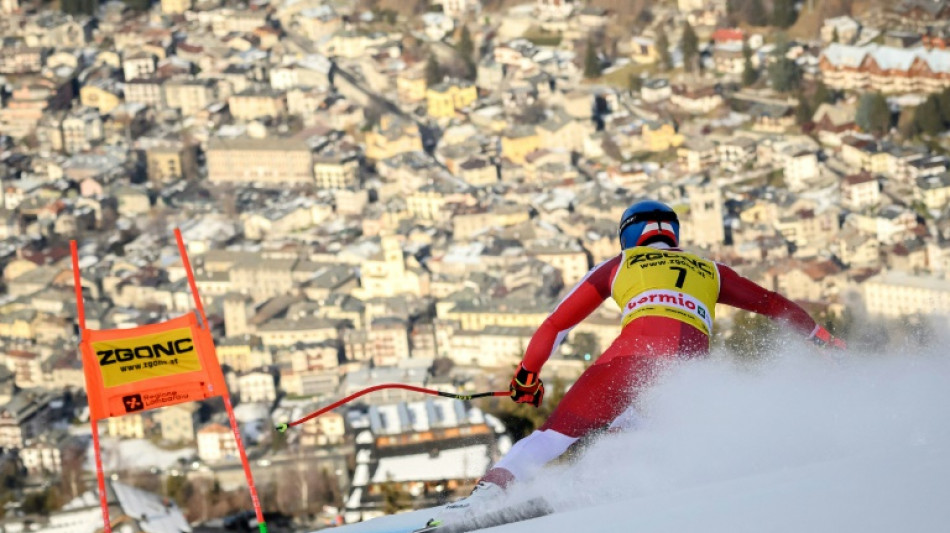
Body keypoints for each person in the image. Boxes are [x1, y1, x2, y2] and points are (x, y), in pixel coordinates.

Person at [427, 199, 846, 527]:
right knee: (637, 429)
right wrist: (823, 338)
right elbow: (773, 304)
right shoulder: (712, 270)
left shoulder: (621, 264)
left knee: (551, 438)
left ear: (627, 236)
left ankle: (485, 497)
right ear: (673, 235)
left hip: (627, 361)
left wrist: (527, 376)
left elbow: (557, 324)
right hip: (687, 376)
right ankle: (600, 482)